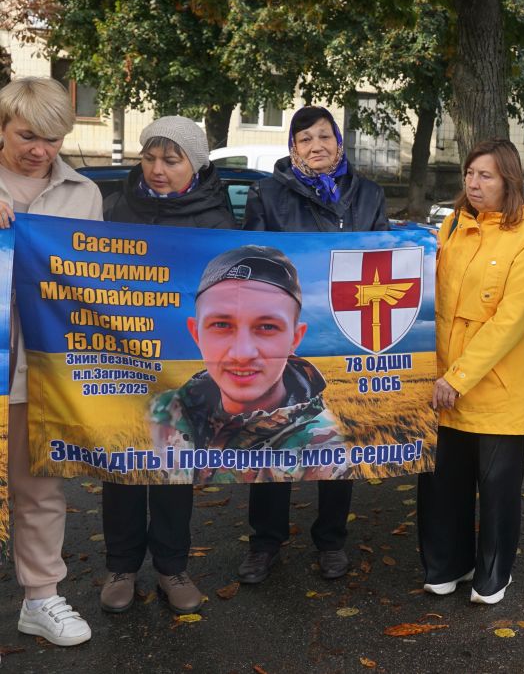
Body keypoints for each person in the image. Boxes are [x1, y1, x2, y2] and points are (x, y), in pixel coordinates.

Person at [238, 106, 390, 586]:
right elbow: (253, 260)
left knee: (336, 433)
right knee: (273, 432)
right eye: (305, 139)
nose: (316, 145)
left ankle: (331, 540)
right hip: (285, 328)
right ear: (292, 148)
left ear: (339, 142)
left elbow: (385, 255)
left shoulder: (369, 194)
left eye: (325, 136)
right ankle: (265, 542)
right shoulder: (268, 193)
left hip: (346, 329)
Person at [99, 116, 235, 618]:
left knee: (174, 466)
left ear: (194, 165)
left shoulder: (216, 222)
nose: (157, 169)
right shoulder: (114, 208)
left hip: (182, 364)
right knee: (122, 463)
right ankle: (120, 568)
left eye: (171, 160)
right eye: (149, 157)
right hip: (120, 359)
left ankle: (172, 567)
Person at [419, 139, 524, 605]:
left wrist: (458, 377)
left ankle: (494, 574)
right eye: (470, 174)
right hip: (441, 384)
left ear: (509, 180)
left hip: (495, 388)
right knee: (442, 486)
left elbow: (510, 321)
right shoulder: (452, 224)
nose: (474, 183)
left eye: (485, 175)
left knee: (497, 491)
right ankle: (446, 564)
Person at [0, 77, 100, 646]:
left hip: (39, 365)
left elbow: (97, 282)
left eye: (54, 139)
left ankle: (41, 597)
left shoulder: (85, 193)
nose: (40, 150)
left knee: (38, 485)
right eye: (27, 137)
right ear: (2, 127)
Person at [150, 245, 348, 479]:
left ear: (295, 338)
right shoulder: (163, 410)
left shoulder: (322, 450)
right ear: (196, 334)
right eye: (221, 325)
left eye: (267, 327)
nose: (242, 354)